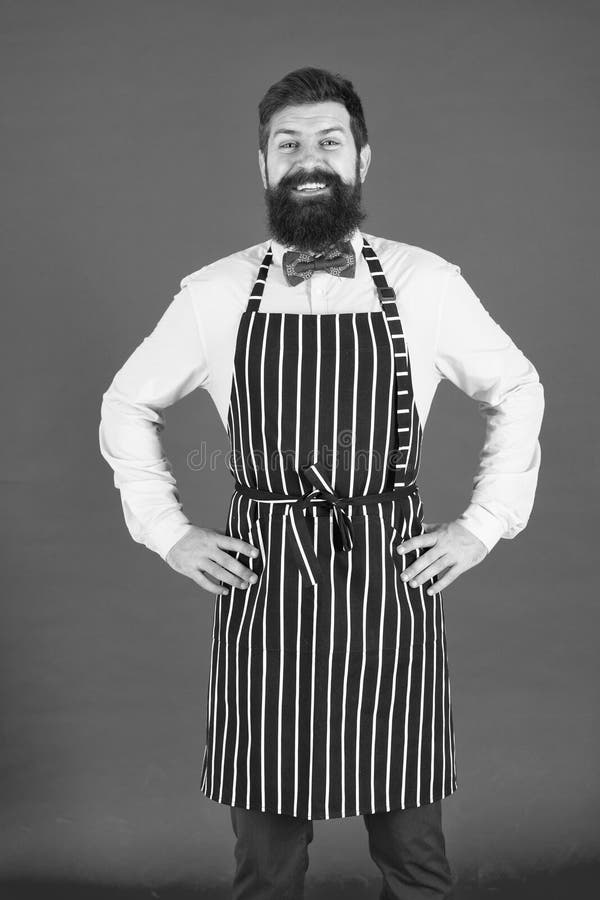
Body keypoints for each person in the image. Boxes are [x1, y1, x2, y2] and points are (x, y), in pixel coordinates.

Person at [99, 67, 544, 900]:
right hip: (265, 587)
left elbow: (518, 388)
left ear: (362, 159)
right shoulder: (216, 292)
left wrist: (484, 524)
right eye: (288, 143)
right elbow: (126, 404)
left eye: (328, 142)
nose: (309, 159)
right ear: (262, 164)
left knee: (414, 855)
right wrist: (168, 530)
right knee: (266, 864)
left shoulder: (427, 284)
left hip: (389, 579)